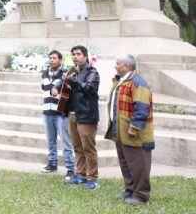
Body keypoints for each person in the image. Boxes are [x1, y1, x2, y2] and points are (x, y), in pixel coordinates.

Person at [106, 54, 154, 205]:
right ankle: (130, 190)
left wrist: (134, 127)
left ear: (126, 66)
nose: (115, 66)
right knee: (126, 163)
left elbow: (142, 107)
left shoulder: (138, 83)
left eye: (118, 63)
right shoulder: (121, 81)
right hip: (120, 132)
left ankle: (141, 196)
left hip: (134, 134)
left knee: (139, 165)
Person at [64, 44, 101, 190]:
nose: (75, 56)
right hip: (72, 115)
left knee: (88, 148)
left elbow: (88, 88)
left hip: (86, 115)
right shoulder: (73, 72)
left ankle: (92, 178)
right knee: (78, 147)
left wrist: (72, 80)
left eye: (78, 54)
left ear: (85, 57)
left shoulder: (92, 72)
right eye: (73, 54)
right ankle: (80, 174)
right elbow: (66, 87)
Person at [41, 50, 75, 178]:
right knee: (51, 140)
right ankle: (52, 164)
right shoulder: (44, 73)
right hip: (47, 112)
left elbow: (68, 90)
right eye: (50, 58)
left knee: (66, 142)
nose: (52, 60)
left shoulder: (65, 73)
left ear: (60, 60)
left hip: (60, 112)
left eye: (54, 58)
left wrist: (58, 90)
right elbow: (44, 89)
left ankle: (70, 168)